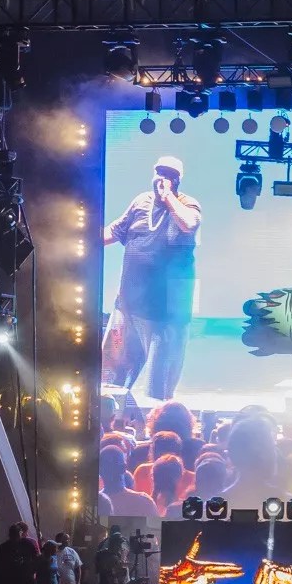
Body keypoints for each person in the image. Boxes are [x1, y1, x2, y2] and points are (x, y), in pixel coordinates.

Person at [101, 154, 203, 401]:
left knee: (158, 386)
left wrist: (168, 197)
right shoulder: (141, 202)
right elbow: (115, 230)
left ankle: (158, 418)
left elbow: (189, 224)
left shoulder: (187, 205)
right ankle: (109, 414)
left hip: (165, 310)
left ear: (177, 181)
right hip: (129, 302)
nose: (162, 178)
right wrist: (80, 239)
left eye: (169, 175)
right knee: (110, 373)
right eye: (159, 172)